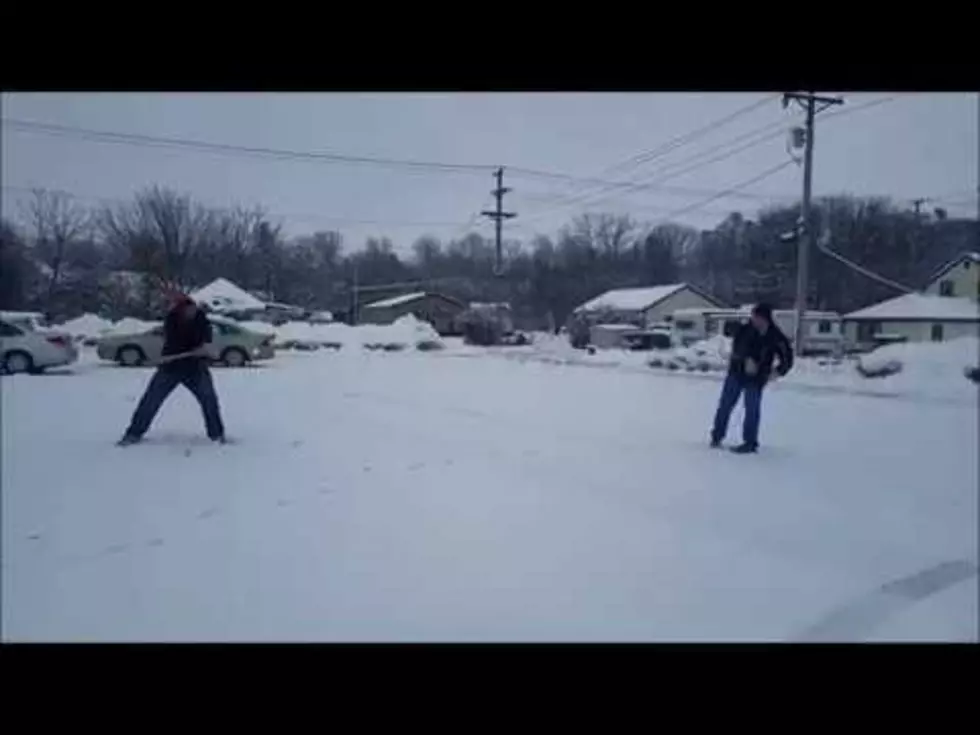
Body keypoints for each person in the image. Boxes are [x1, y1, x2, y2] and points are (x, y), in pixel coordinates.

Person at [117, 294, 226, 446]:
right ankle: (133, 433)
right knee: (150, 400)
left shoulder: (202, 321)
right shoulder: (172, 320)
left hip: (196, 369)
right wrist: (194, 348)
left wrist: (203, 348)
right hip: (170, 368)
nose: (191, 312)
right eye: (187, 310)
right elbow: (175, 342)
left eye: (193, 309)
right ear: (180, 310)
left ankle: (217, 434)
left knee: (209, 401)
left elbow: (206, 339)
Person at [710, 302, 793, 454]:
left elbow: (787, 359)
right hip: (737, 373)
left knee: (752, 410)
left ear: (765, 318)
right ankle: (717, 436)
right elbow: (737, 348)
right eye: (753, 317)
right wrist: (746, 359)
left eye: (756, 317)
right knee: (725, 405)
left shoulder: (775, 336)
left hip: (757, 378)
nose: (753, 320)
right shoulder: (745, 330)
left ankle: (750, 442)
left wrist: (776, 372)